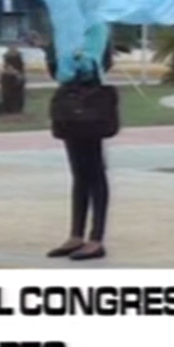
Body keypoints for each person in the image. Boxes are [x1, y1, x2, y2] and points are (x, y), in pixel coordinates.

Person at [43, 36, 116, 261]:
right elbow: (56, 70)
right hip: (69, 104)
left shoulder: (96, 28)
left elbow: (102, 63)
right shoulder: (64, 29)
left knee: (94, 171)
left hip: (91, 103)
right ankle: (76, 234)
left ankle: (96, 238)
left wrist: (82, 61)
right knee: (79, 172)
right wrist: (53, 52)